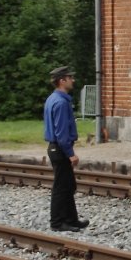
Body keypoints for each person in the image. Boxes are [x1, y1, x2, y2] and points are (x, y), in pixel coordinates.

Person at [43, 66, 89, 232]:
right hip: (60, 149)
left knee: (68, 185)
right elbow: (61, 133)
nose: (73, 80)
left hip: (56, 148)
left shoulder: (53, 98)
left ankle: (71, 219)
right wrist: (71, 154)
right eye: (70, 77)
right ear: (62, 80)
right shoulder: (61, 103)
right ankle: (57, 222)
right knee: (61, 187)